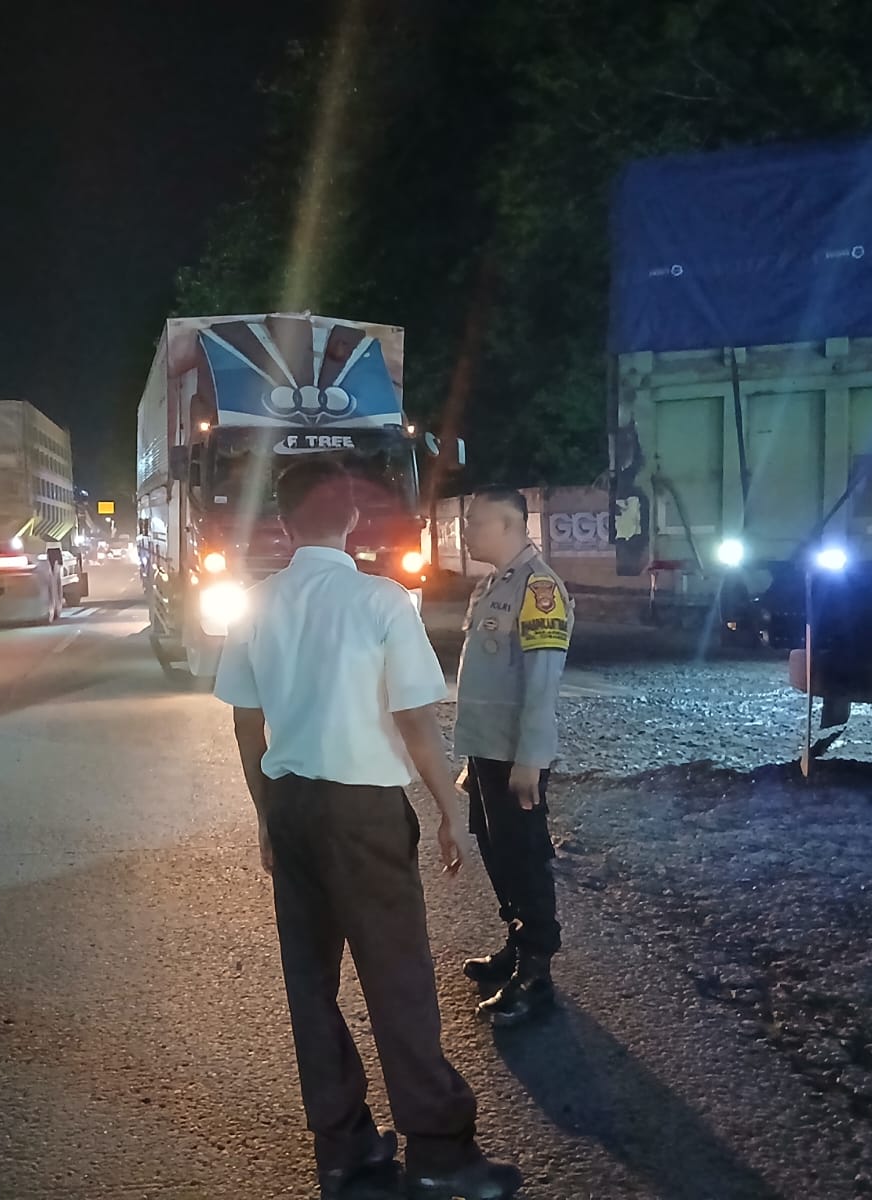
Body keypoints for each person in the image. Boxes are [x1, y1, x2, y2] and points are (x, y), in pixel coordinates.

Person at [215, 458, 523, 1200]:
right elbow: (415, 720)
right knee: (398, 981)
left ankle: (344, 1151)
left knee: (311, 985)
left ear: (284, 523)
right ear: (353, 517)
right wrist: (450, 810)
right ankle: (440, 1154)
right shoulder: (381, 599)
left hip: (292, 806)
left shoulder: (254, 603)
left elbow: (247, 725)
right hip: (364, 814)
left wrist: (265, 817)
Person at [452, 487, 573, 1027]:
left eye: (474, 523)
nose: (465, 533)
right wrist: (474, 757)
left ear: (507, 524)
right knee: (495, 847)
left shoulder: (538, 588)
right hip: (488, 751)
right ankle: (516, 943)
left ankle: (536, 973)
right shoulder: (493, 584)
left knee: (524, 854)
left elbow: (541, 685)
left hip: (514, 755)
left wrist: (530, 759)